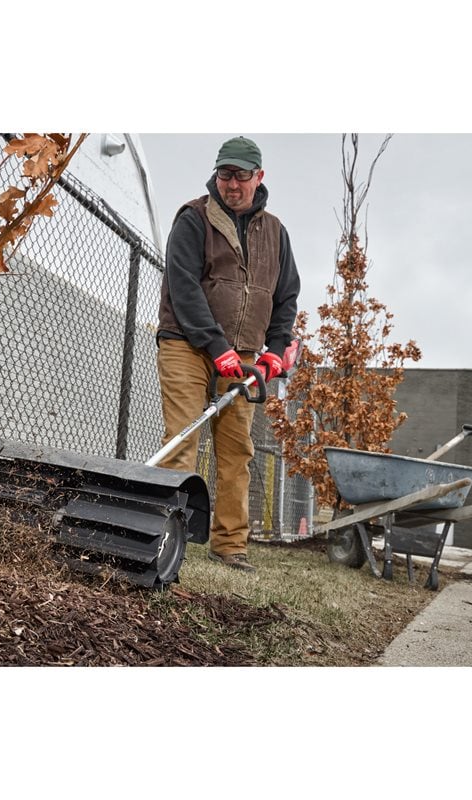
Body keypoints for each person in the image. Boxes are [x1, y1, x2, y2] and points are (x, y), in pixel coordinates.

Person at [156, 136, 300, 573]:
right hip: (186, 342)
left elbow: (285, 298)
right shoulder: (193, 218)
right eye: (225, 174)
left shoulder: (276, 232)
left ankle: (230, 545)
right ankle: (164, 533)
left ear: (259, 177)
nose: (231, 184)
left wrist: (276, 350)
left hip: (244, 356)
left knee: (238, 451)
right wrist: (216, 348)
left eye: (240, 175)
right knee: (183, 438)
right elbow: (183, 288)